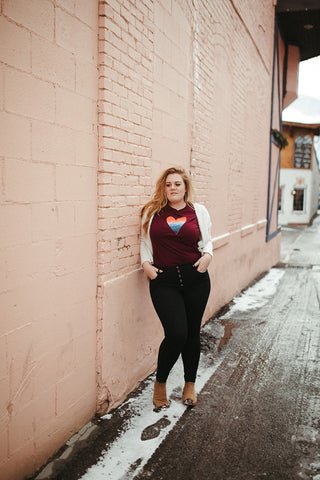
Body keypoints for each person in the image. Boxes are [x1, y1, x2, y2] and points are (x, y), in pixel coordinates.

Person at [140, 166, 212, 410]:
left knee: (192, 334)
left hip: (196, 279)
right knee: (176, 334)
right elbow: (145, 242)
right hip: (164, 281)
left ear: (185, 187)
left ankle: (189, 384)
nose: (173, 188)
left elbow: (207, 241)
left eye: (177, 184)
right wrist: (145, 264)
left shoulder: (198, 211)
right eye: (168, 184)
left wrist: (208, 256)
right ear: (164, 188)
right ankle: (160, 383)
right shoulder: (152, 212)